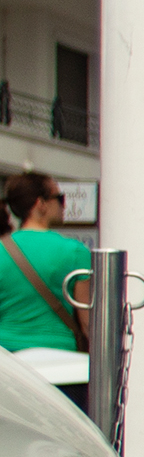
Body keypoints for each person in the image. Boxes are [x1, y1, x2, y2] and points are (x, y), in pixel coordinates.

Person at [0, 173, 90, 407]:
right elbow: (89, 323)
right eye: (59, 198)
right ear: (40, 204)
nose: (64, 204)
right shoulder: (75, 252)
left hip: (9, 367)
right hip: (64, 370)